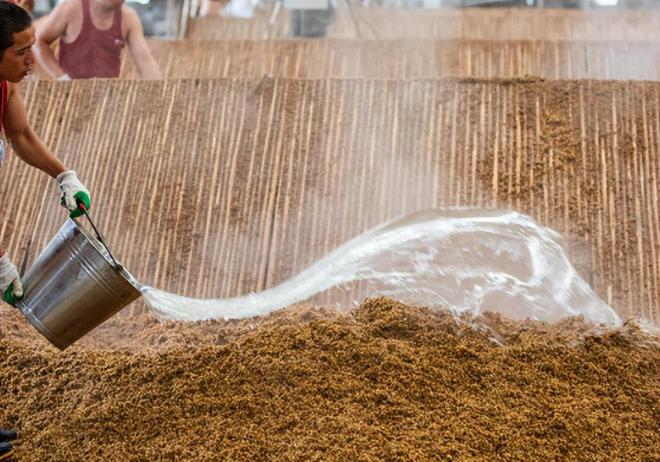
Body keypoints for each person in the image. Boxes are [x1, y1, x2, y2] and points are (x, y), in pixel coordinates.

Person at [34, 0, 161, 80]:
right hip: (70, 93)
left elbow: (145, 60)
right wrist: (61, 77)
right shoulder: (70, 9)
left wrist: (158, 92)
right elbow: (39, 42)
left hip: (108, 97)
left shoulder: (129, 17)